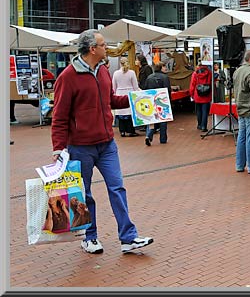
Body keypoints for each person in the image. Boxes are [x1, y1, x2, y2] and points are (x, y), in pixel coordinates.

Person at [51, 29, 153, 254]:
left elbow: (110, 100)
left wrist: (137, 99)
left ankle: (128, 238)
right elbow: (59, 116)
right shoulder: (68, 77)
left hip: (107, 143)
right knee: (84, 194)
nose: (107, 48)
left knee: (117, 188)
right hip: (80, 146)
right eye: (104, 45)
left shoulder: (104, 71)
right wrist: (58, 148)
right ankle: (90, 237)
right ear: (92, 49)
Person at [232, 49, 250, 174]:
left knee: (242, 137)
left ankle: (239, 164)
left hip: (240, 107)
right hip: (249, 109)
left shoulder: (237, 71)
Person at [144, 61, 172, 146]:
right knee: (163, 120)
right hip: (162, 100)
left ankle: (149, 135)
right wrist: (169, 101)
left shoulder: (149, 77)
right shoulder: (165, 77)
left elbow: (145, 89)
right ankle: (163, 138)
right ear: (161, 68)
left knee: (153, 120)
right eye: (164, 66)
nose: (165, 68)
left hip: (151, 100)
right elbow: (168, 90)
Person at [112, 57, 140, 137]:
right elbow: (135, 86)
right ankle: (131, 131)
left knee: (121, 113)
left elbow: (114, 86)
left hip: (119, 93)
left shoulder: (116, 73)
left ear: (120, 63)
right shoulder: (131, 73)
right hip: (129, 93)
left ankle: (122, 131)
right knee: (130, 114)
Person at [189, 61, 212, 132]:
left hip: (197, 94)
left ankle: (199, 124)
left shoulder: (195, 73)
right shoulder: (209, 73)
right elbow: (212, 83)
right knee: (205, 111)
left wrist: (191, 94)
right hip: (206, 94)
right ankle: (204, 126)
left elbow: (192, 84)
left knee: (198, 110)